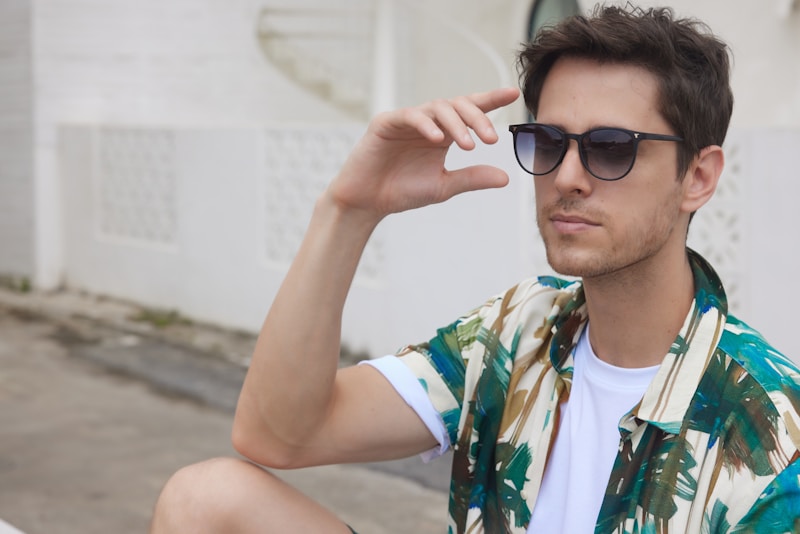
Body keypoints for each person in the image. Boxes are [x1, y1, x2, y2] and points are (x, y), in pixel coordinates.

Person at [150, 4, 800, 533]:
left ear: (698, 177)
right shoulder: (520, 330)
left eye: (610, 148)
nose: (566, 177)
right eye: (548, 142)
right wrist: (348, 211)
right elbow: (279, 435)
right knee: (205, 499)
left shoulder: (771, 431)